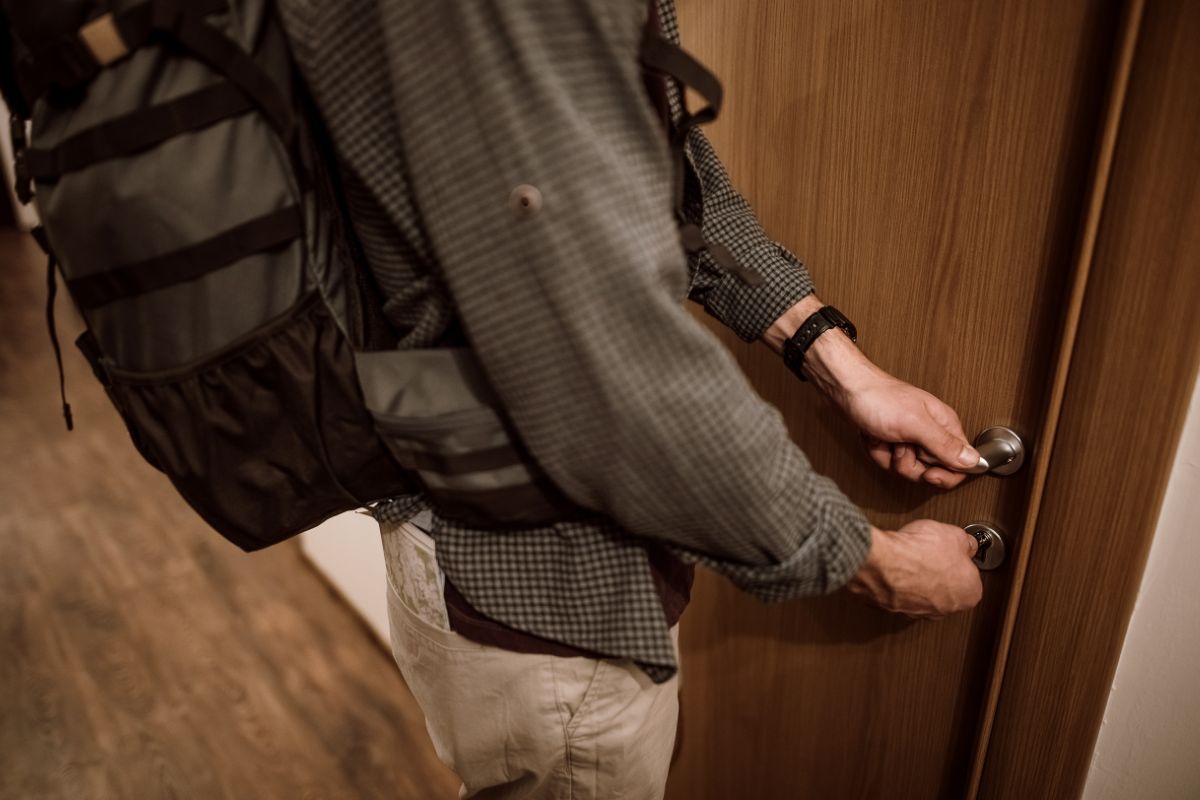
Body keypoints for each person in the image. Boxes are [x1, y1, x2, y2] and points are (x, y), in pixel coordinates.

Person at [278, 0, 983, 796]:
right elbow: (613, 371)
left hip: (520, 553)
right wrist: (876, 565)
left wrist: (828, 353)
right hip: (544, 585)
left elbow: (658, 166)